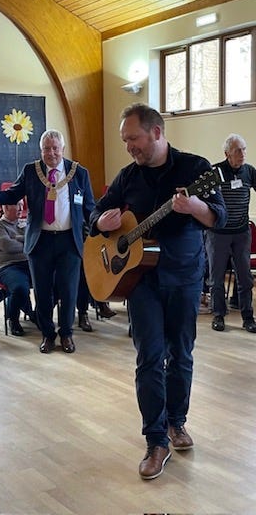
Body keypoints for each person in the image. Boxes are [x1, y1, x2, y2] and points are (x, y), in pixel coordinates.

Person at [89, 103, 226, 480]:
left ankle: (176, 422)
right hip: (140, 281)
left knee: (181, 354)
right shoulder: (127, 177)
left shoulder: (195, 169)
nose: (129, 146)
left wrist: (195, 205)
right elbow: (94, 216)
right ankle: (155, 440)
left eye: (132, 138)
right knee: (149, 357)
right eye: (125, 140)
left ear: (156, 132)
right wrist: (101, 220)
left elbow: (220, 217)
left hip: (183, 274)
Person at [0, 129, 95, 354]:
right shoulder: (32, 171)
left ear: (63, 149)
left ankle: (67, 334)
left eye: (55, 148)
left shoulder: (79, 173)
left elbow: (89, 208)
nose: (51, 153)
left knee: (68, 290)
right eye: (46, 149)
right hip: (40, 242)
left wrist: (103, 226)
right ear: (41, 151)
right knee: (42, 291)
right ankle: (48, 335)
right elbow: (12, 195)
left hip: (69, 241)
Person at [206, 134, 256, 333]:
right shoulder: (215, 171)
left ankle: (248, 317)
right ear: (227, 154)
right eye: (237, 150)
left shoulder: (249, 171)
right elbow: (204, 199)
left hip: (242, 233)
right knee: (216, 277)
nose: (242, 154)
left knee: (245, 277)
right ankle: (218, 315)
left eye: (244, 149)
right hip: (218, 233)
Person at [0, 201, 35, 336]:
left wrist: (18, 238)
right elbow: (9, 247)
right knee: (20, 287)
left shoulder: (26, 223)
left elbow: (35, 241)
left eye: (22, 204)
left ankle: (37, 314)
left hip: (29, 264)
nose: (21, 208)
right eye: (17, 205)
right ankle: (13, 319)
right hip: (7, 267)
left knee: (55, 280)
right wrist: (26, 242)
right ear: (6, 207)